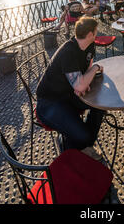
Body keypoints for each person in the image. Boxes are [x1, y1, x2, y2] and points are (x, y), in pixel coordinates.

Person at [36, 16, 104, 160]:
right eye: (96, 31)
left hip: (69, 94)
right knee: (84, 135)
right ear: (91, 34)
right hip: (49, 102)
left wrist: (82, 82)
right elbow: (82, 80)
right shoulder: (69, 51)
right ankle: (72, 143)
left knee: (101, 104)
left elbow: (86, 70)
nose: (97, 33)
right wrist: (95, 69)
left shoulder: (90, 45)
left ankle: (82, 144)